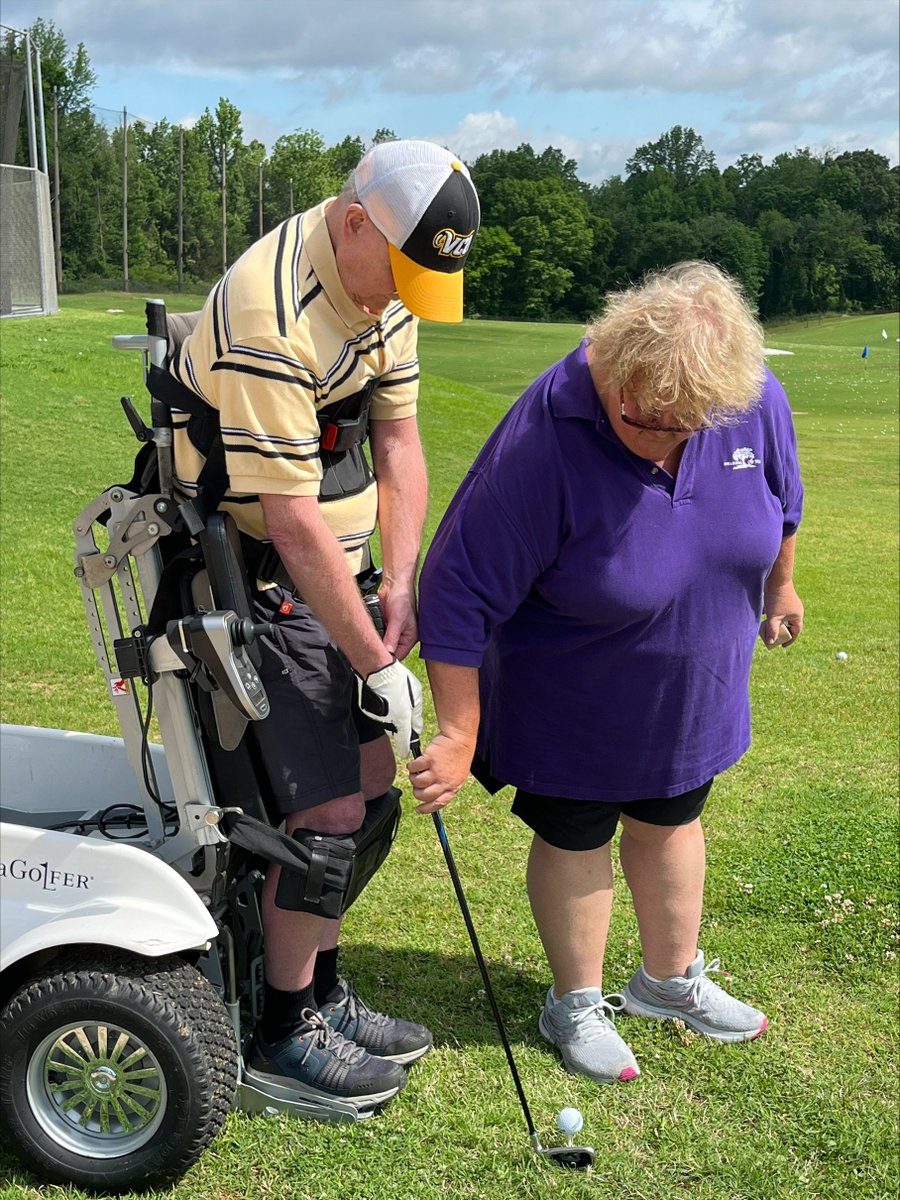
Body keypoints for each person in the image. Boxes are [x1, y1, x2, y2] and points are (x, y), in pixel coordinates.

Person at [410, 261, 803, 1086]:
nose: (672, 438)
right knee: (578, 833)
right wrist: (457, 731)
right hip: (571, 699)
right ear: (615, 369)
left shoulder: (751, 397)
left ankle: (668, 981)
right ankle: (575, 1002)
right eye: (652, 421)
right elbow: (455, 587)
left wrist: (781, 583)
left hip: (694, 694)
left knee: (673, 819)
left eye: (693, 425)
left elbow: (783, 499)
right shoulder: (543, 436)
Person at [167, 139, 480, 1110]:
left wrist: (401, 579)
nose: (405, 301)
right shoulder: (271, 310)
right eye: (402, 273)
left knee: (376, 772)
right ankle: (280, 1029)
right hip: (257, 578)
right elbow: (293, 523)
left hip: (340, 575)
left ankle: (324, 990)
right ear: (356, 220)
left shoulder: (387, 290)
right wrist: (370, 662)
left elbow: (398, 440)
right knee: (333, 807)